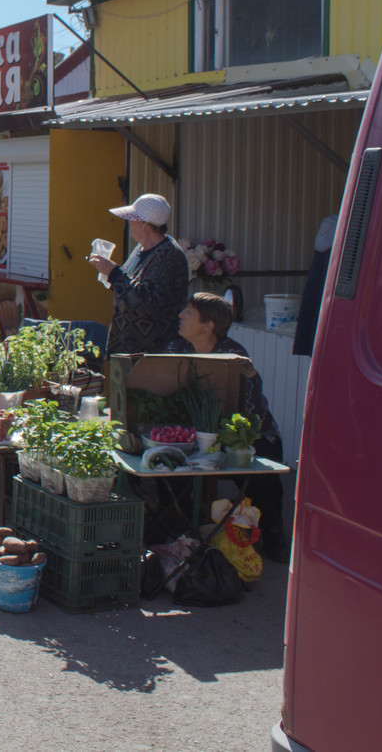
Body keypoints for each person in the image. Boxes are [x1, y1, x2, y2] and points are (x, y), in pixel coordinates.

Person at [168, 292, 288, 560]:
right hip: (194, 429)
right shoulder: (177, 349)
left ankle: (274, 533)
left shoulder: (233, 355)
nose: (180, 316)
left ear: (208, 325)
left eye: (188, 312)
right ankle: (180, 528)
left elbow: (252, 406)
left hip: (242, 430)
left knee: (261, 472)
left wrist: (225, 436)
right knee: (168, 466)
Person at [88, 193, 190, 355]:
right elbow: (129, 288)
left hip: (150, 354)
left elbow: (147, 303)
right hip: (126, 347)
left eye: (131, 218)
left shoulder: (169, 256)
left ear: (144, 223)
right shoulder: (140, 248)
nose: (128, 222)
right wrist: (109, 275)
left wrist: (113, 272)